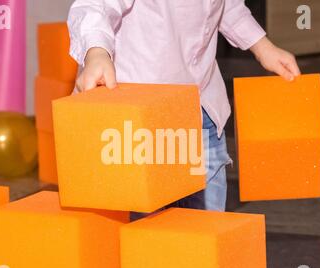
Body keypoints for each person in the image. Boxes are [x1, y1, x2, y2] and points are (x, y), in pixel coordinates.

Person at [67, 0, 301, 212]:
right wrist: (96, 52)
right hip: (143, 115)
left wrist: (262, 47)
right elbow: (94, 5)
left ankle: (200, 258)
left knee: (206, 228)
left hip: (201, 103)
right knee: (147, 220)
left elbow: (227, 6)